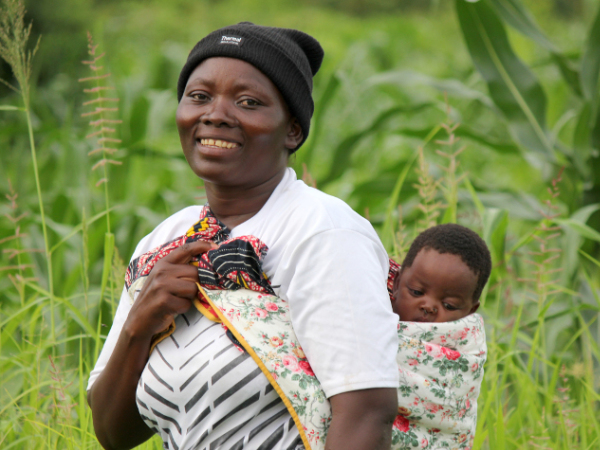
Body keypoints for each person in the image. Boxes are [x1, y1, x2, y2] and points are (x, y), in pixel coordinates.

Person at [87, 22, 399, 450]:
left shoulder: (321, 232)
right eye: (199, 96)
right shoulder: (167, 240)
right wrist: (139, 327)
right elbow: (114, 433)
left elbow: (367, 411)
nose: (214, 114)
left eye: (248, 102)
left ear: (292, 130)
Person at [390, 223, 492, 323]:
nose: (428, 307)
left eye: (449, 305)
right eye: (416, 292)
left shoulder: (465, 339)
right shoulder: (376, 316)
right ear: (397, 283)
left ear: (470, 312)